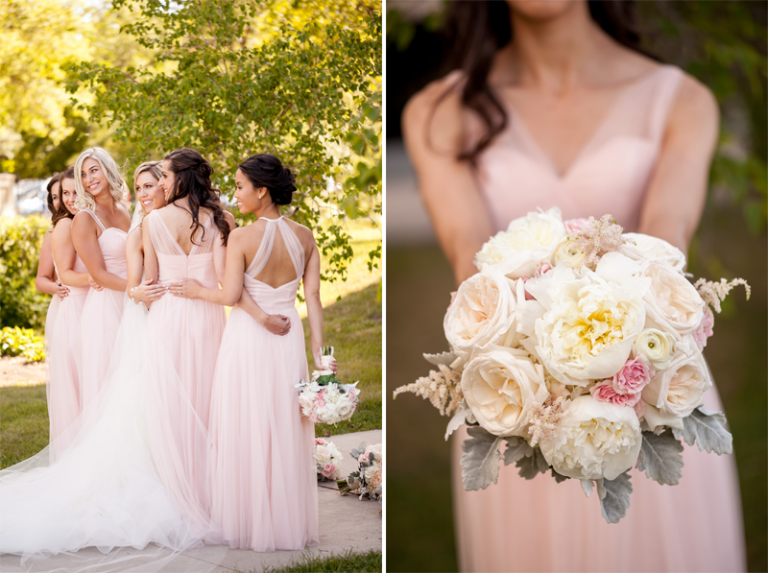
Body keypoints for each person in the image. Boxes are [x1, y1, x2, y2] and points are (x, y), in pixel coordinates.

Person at [402, 1, 746, 572]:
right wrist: (538, 362)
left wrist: (614, 348)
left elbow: (667, 239)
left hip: (650, 386)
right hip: (518, 397)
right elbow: (469, 254)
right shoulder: (439, 111)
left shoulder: (681, 100)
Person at [173, 153, 328, 550]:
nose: (235, 193)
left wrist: (196, 290)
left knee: (246, 423)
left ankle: (248, 520)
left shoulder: (241, 237)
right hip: (288, 340)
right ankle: (284, 521)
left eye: (241, 186)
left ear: (262, 191)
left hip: (248, 340)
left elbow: (229, 295)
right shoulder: (305, 235)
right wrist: (319, 353)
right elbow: (313, 297)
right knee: (284, 423)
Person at [71, 147, 132, 409]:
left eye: (94, 170)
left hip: (133, 301)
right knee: (110, 384)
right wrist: (136, 291)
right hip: (107, 308)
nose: (89, 179)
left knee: (134, 378)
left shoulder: (125, 209)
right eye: (83, 175)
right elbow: (98, 274)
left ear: (107, 169)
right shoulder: (85, 219)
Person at [48, 167, 94, 456]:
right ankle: (77, 453)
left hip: (95, 305)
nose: (69, 198)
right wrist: (98, 278)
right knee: (79, 383)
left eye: (75, 191)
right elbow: (64, 275)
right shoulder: (65, 225)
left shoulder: (88, 221)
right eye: (65, 193)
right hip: (76, 307)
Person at [35, 173, 69, 339]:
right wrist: (55, 288)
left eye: (64, 193)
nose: (60, 201)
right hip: (69, 305)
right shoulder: (52, 235)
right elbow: (40, 280)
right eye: (55, 197)